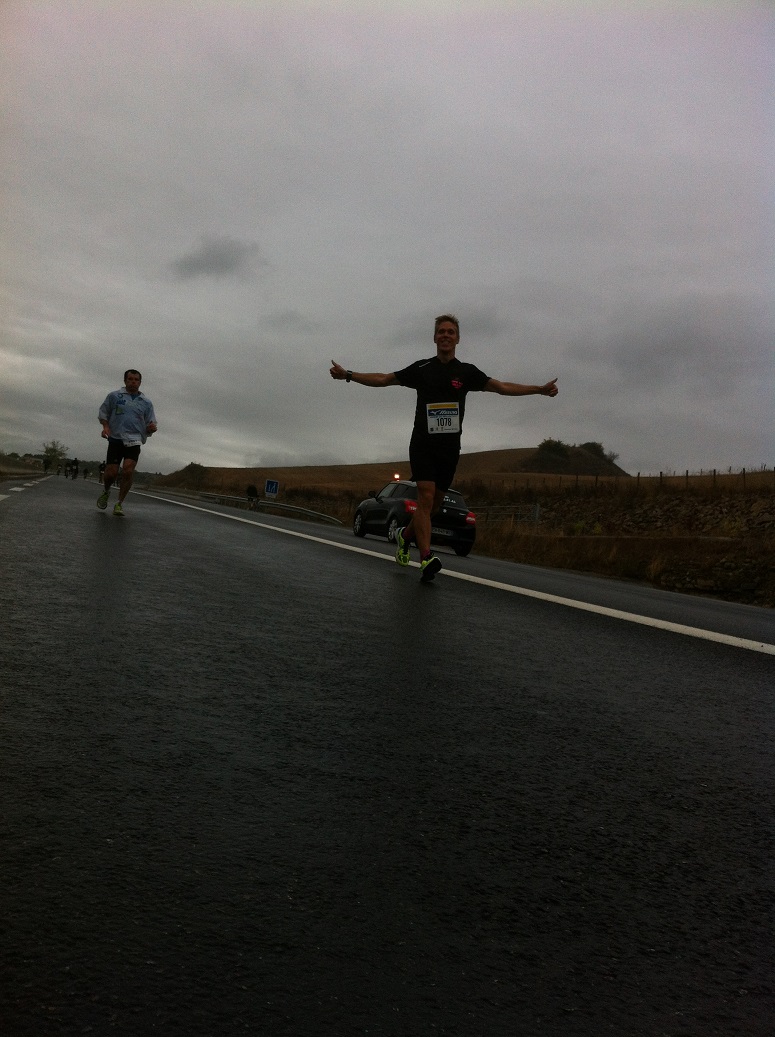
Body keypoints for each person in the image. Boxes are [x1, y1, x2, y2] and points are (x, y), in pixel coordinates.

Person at [330, 314, 558, 581]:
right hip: (423, 444)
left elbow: (501, 387)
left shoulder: (467, 372)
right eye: (441, 332)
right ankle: (425, 557)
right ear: (435, 338)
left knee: (433, 506)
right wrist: (348, 375)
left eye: (451, 332)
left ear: (457, 338)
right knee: (424, 498)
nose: (446, 335)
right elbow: (383, 379)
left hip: (450, 448)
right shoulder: (422, 368)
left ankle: (405, 536)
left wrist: (539, 390)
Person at [96, 369, 158, 516]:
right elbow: (103, 413)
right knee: (111, 473)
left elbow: (152, 423)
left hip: (135, 439)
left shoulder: (146, 402)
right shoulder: (114, 396)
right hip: (116, 438)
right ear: (125, 381)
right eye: (130, 379)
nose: (133, 382)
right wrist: (105, 427)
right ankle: (106, 491)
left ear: (140, 382)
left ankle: (119, 503)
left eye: (136, 380)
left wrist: (151, 428)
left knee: (128, 470)